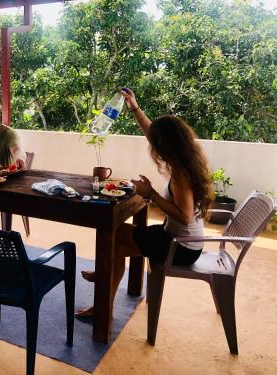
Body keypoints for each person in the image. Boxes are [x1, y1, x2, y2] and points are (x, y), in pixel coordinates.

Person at [76, 88, 214, 316]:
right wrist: (134, 106)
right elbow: (152, 132)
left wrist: (151, 194)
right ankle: (104, 294)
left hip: (180, 247)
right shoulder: (184, 159)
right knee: (116, 239)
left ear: (165, 145)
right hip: (182, 240)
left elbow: (185, 216)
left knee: (115, 236)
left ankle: (103, 296)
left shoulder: (181, 173)